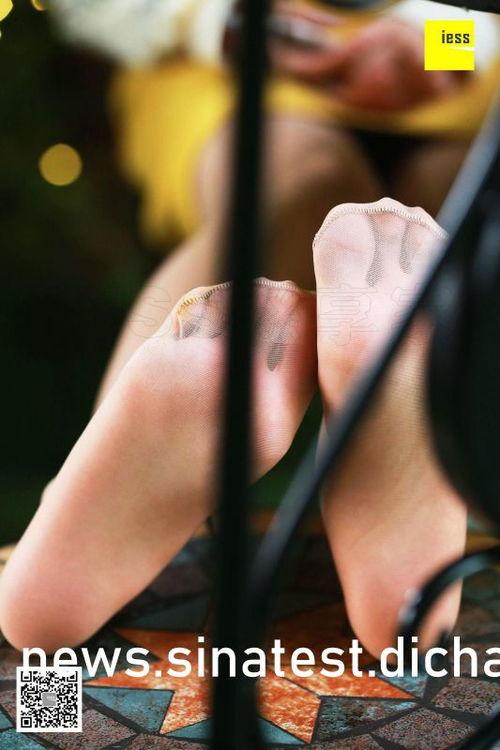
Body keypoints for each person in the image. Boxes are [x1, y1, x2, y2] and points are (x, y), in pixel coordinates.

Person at [0, 0, 498, 657]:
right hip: (236, 67)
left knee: (281, 194)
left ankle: (88, 503)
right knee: (423, 220)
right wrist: (231, 27)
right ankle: (414, 362)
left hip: (456, 79)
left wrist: (441, 40)